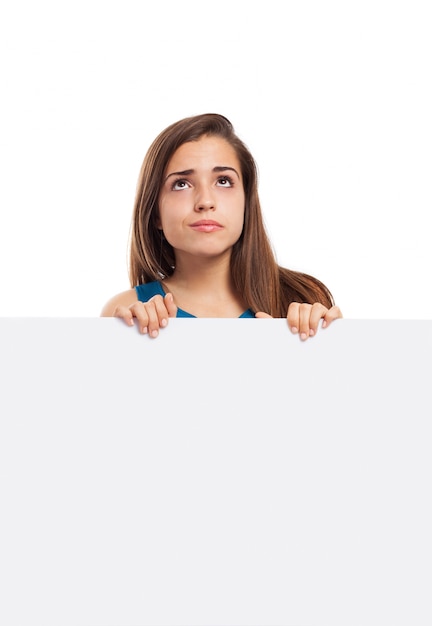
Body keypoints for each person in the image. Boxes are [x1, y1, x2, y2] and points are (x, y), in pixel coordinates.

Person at [101, 113, 342, 340]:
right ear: (155, 213)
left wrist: (327, 344)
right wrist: (130, 344)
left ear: (246, 203)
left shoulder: (304, 300)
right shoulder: (126, 314)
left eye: (223, 181)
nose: (205, 201)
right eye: (181, 184)